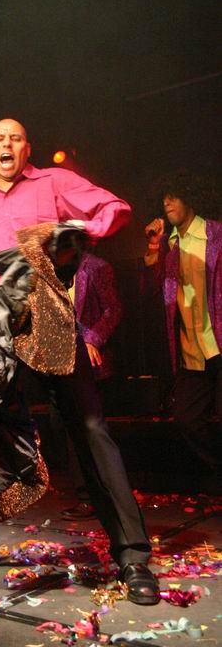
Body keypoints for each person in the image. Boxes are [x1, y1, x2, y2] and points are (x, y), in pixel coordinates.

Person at [0, 118, 159, 606]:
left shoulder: (53, 181)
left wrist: (77, 234)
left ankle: (133, 556)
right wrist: (2, 262)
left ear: (27, 148)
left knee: (89, 429)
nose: (7, 144)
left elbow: (115, 208)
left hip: (47, 313)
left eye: (15, 138)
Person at [143, 172, 221, 489]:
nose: (167, 203)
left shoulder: (216, 235)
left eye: (173, 196)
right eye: (164, 198)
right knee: (186, 418)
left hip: (218, 343)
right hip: (191, 350)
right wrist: (154, 246)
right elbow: (153, 293)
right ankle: (217, 472)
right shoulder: (168, 245)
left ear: (189, 197)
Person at [59, 251, 123, 520]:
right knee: (69, 427)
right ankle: (87, 495)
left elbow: (113, 309)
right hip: (61, 361)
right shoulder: (49, 270)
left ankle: (98, 496)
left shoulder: (96, 266)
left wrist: (91, 339)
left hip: (90, 362)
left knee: (92, 427)